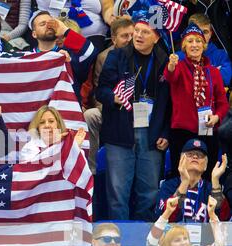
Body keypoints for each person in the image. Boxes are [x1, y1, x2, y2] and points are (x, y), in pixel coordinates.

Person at [96, 11, 171, 221]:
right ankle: (118, 243)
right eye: (136, 31)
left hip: (152, 134)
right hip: (120, 132)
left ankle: (142, 243)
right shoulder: (117, 55)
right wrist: (114, 97)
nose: (138, 36)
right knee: (117, 195)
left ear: (156, 37)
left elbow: (168, 103)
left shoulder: (164, 61)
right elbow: (100, 91)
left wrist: (166, 132)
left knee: (149, 194)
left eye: (145, 32)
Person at [166, 23, 229, 180]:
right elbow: (170, 76)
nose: (194, 45)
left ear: (204, 45)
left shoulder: (214, 72)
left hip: (207, 132)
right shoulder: (179, 67)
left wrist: (217, 117)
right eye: (190, 41)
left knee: (207, 176)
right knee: (180, 175)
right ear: (184, 47)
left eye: (198, 41)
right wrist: (171, 65)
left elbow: (223, 103)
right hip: (182, 133)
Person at [84, 17, 134, 174]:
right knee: (91, 115)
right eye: (124, 36)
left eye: (132, 35)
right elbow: (99, 91)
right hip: (112, 108)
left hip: (139, 112)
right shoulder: (104, 57)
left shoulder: (144, 52)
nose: (130, 39)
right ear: (114, 39)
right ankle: (91, 171)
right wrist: (112, 103)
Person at [29, 10, 98, 104]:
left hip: (67, 112)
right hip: (37, 113)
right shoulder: (27, 58)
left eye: (51, 23)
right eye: (42, 24)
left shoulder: (70, 55)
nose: (48, 26)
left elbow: (90, 51)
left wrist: (66, 31)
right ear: (34, 34)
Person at [155, 139, 226, 222]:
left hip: (205, 234)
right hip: (175, 234)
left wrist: (215, 180)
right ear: (181, 160)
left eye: (200, 155)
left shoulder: (211, 187)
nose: (195, 157)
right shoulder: (168, 185)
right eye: (190, 154)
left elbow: (224, 219)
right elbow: (163, 218)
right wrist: (185, 182)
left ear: (206, 165)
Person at [148, 196, 225, 246]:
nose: (183, 243)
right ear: (168, 244)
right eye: (177, 240)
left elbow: (219, 245)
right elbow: (151, 243)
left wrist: (212, 215)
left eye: (185, 238)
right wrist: (167, 212)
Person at [177, 14, 231, 87]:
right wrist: (214, 72)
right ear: (188, 32)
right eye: (198, 31)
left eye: (205, 32)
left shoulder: (222, 55)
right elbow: (176, 83)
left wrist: (189, 75)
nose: (202, 36)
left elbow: (225, 80)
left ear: (211, 34)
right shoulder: (177, 57)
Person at [19, 105, 86, 162]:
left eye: (51, 121)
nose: (47, 125)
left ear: (58, 124)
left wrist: (74, 148)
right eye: (42, 122)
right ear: (37, 128)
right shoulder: (29, 147)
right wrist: (53, 145)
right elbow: (30, 171)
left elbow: (80, 172)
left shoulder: (70, 144)